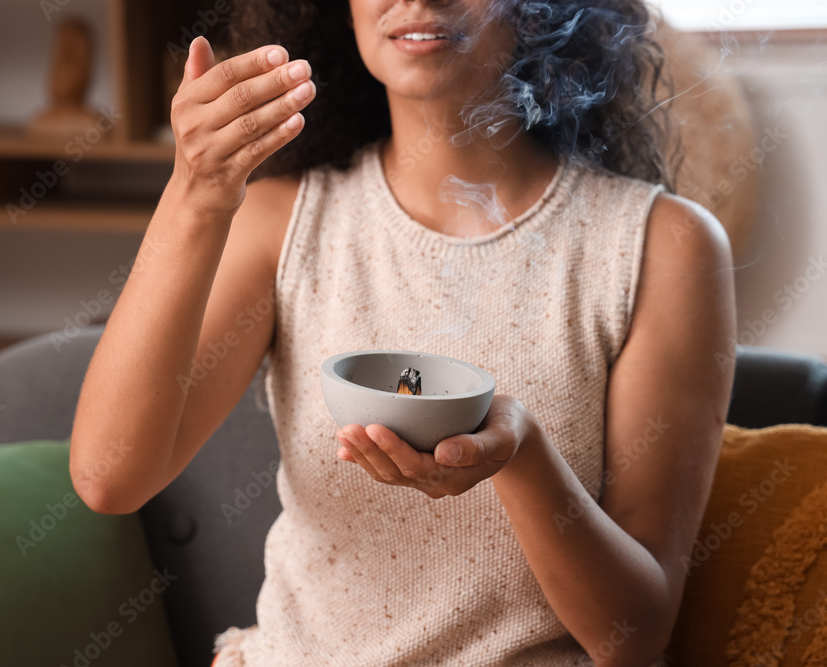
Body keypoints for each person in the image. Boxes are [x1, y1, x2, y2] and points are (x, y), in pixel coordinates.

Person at [69, 0, 736, 664]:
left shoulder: (663, 247)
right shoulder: (281, 223)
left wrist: (522, 457)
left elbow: (634, 635)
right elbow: (108, 478)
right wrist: (194, 195)